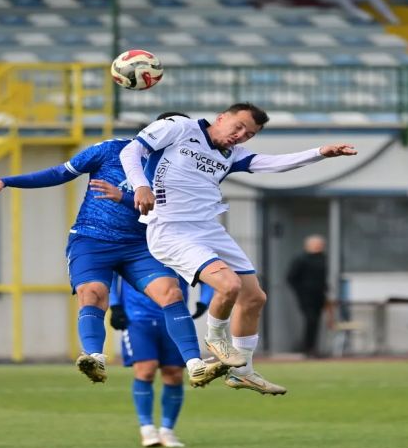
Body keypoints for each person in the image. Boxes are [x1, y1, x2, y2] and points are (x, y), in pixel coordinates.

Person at [0, 112, 230, 387]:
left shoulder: (184, 168)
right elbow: (60, 173)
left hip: (142, 245)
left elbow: (168, 210)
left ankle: (195, 364)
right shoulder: (110, 150)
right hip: (92, 239)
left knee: (172, 293)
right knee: (93, 293)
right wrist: (8, 180)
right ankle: (94, 357)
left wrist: (123, 197)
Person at [119, 102, 357, 395]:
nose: (241, 136)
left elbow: (275, 164)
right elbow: (131, 151)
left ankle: (242, 372)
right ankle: (216, 339)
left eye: (249, 134)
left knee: (254, 297)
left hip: (209, 229)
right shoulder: (180, 128)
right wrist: (141, 185)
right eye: (239, 127)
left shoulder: (233, 154)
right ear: (221, 118)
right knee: (228, 286)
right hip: (171, 228)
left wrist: (320, 152)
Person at [109, 274, 214, 448]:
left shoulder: (176, 250)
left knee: (174, 374)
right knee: (146, 369)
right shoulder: (131, 248)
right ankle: (147, 428)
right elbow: (110, 275)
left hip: (173, 319)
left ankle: (167, 430)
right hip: (137, 319)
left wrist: (204, 301)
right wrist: (114, 305)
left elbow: (206, 276)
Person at [286, 234, 329, 357]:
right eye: (317, 244)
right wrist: (301, 291)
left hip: (319, 295)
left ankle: (313, 348)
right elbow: (290, 277)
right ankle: (307, 348)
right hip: (306, 296)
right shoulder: (301, 259)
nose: (320, 246)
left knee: (316, 322)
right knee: (311, 320)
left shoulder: (323, 258)